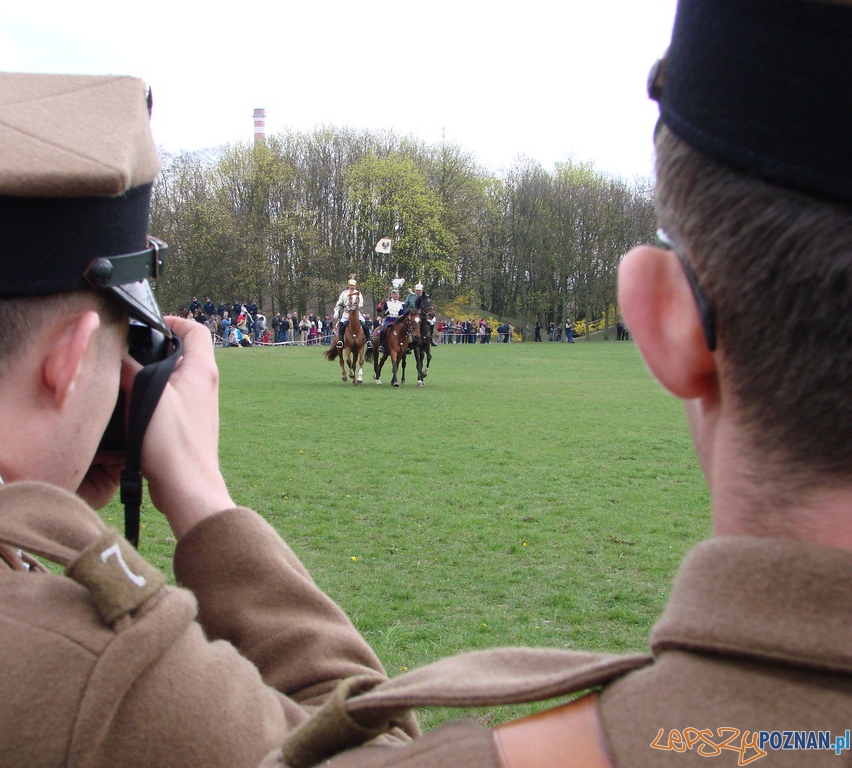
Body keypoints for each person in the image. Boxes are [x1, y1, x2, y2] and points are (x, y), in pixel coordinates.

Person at [259, 0, 852, 765]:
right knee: (372, 339)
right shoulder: (364, 295)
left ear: (658, 316)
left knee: (408, 337)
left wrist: (211, 511)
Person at [0, 68, 416, 766]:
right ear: (71, 360)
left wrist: (19, 504)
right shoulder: (84, 668)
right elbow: (380, 752)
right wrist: (205, 501)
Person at [332, 278, 372, 349]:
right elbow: (339, 303)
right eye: (351, 285)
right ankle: (340, 341)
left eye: (353, 285)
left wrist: (356, 306)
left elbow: (361, 303)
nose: (352, 287)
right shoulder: (344, 293)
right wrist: (336, 311)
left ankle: (368, 340)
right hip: (347, 313)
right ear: (348, 285)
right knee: (342, 324)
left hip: (356, 313)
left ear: (355, 286)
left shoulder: (358, 293)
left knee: (364, 324)